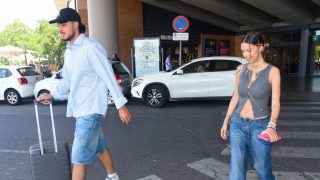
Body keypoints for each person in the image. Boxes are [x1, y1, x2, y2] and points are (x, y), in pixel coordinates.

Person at [37, 8, 132, 180]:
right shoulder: (69, 51)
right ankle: (113, 176)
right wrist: (51, 94)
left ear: (75, 24)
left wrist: (121, 105)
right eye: (59, 26)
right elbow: (67, 80)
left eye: (63, 25)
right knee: (99, 147)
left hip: (91, 109)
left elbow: (108, 75)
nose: (60, 29)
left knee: (78, 157)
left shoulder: (91, 47)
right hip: (80, 110)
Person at [220, 31, 281, 180]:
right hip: (237, 124)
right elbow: (235, 96)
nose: (246, 54)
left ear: (260, 47)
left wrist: (271, 125)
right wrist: (226, 119)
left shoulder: (273, 72)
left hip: (260, 125)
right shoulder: (241, 69)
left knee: (262, 169)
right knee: (236, 170)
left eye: (249, 50)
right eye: (243, 51)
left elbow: (275, 101)